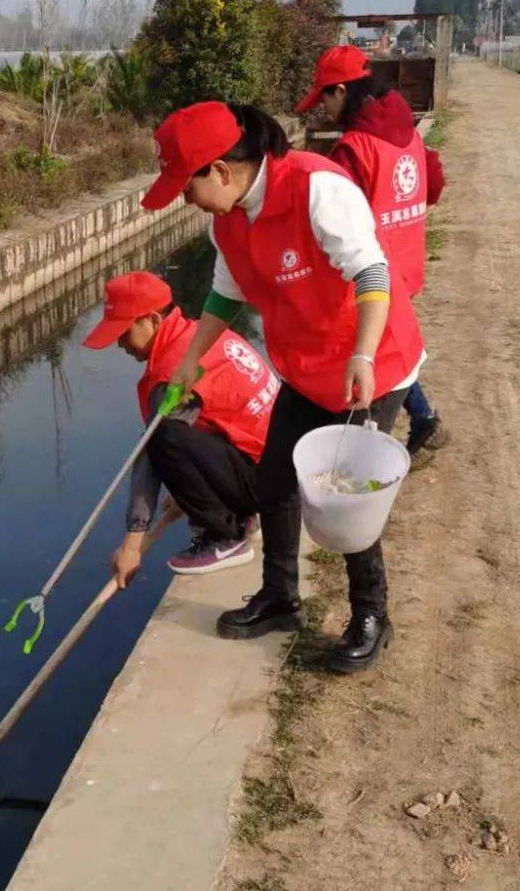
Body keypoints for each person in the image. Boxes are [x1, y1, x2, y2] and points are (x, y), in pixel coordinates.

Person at [141, 102, 425, 673]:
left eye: (187, 185)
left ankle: (371, 616)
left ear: (220, 171)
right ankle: (279, 597)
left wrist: (363, 355)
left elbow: (371, 273)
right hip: (305, 370)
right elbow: (225, 295)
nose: (184, 199)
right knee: (275, 481)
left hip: (369, 367)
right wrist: (189, 363)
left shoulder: (316, 188)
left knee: (348, 497)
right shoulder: (229, 219)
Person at [295, 44, 447, 457]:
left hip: (374, 279)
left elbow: (331, 222)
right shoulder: (410, 132)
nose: (323, 109)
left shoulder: (354, 149)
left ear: (342, 91)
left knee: (374, 355)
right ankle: (424, 416)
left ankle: (373, 448)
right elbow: (433, 185)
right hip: (407, 264)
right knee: (393, 349)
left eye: (325, 98)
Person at [81, 271, 277, 588]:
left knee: (162, 435)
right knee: (172, 433)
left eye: (124, 331)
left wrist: (131, 545)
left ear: (154, 320)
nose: (119, 343)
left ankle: (225, 537)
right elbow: (211, 421)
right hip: (280, 466)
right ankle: (240, 514)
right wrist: (187, 489)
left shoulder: (174, 370)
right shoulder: (200, 334)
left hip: (268, 483)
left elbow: (152, 452)